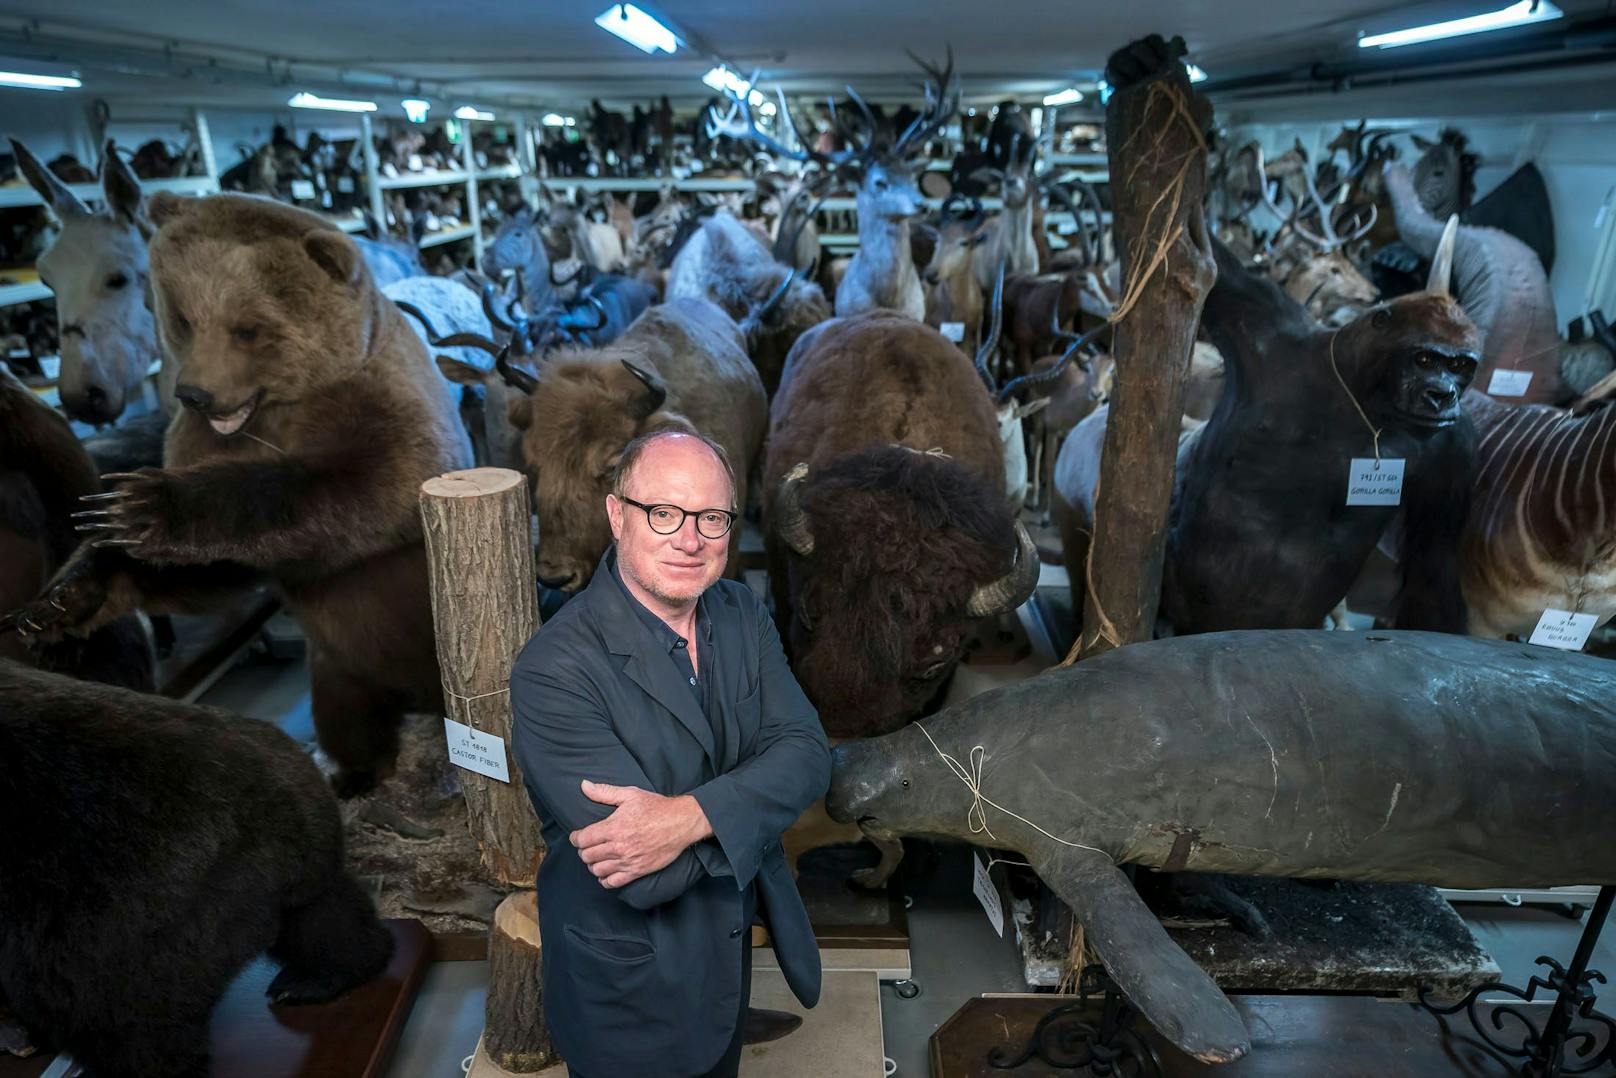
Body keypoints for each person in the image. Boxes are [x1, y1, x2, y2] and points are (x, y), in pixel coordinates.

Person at [511, 430, 832, 1078]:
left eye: (712, 518)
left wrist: (686, 817)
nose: (691, 539)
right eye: (664, 513)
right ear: (616, 515)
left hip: (732, 950)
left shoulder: (740, 610)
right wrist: (754, 808)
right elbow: (645, 873)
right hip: (634, 980)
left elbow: (807, 752)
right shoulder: (553, 670)